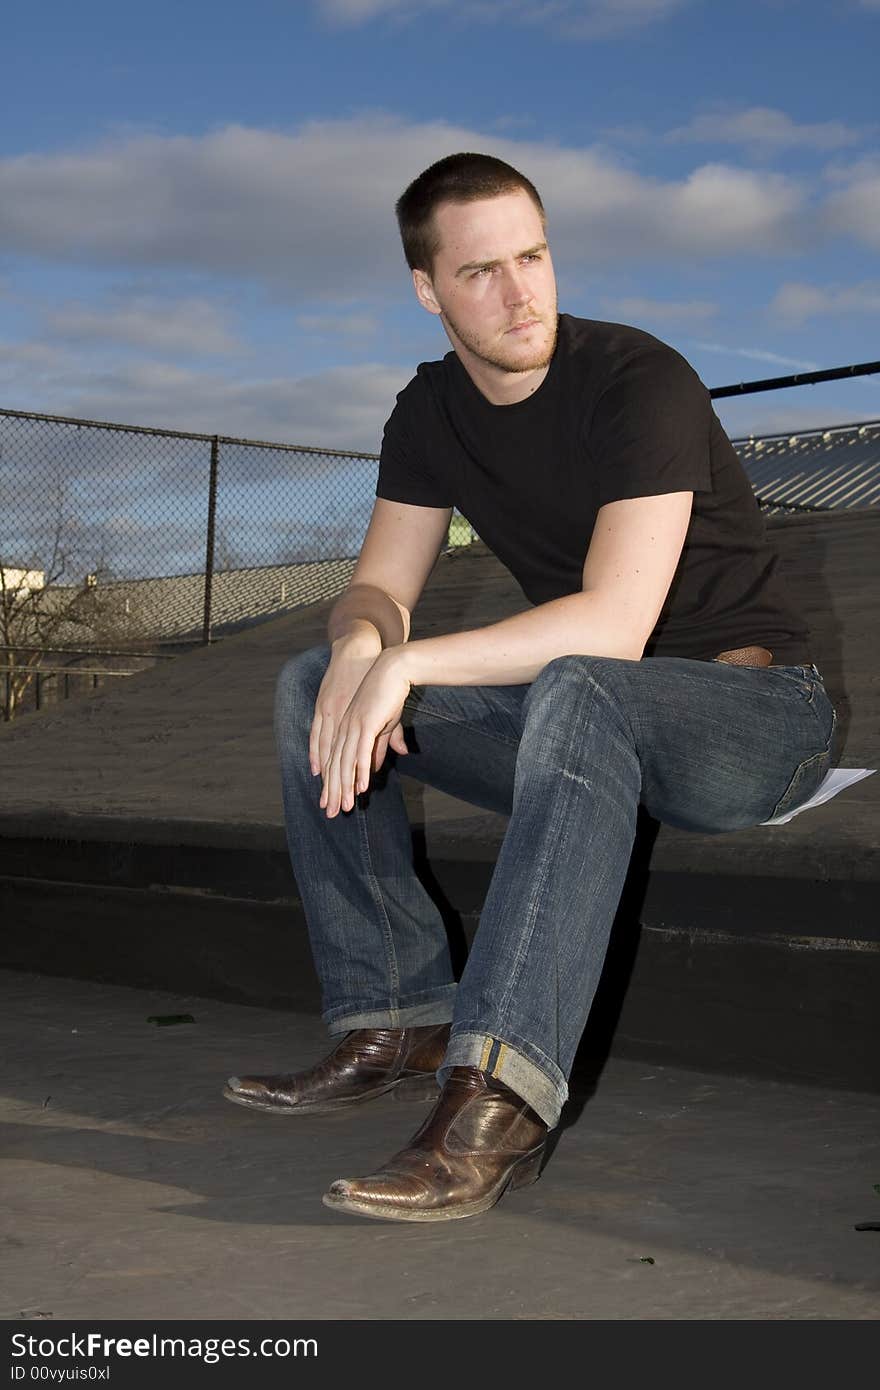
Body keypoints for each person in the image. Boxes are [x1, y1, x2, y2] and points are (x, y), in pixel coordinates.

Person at [224, 152, 836, 1223]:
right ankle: (397, 1017)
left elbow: (612, 625)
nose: (520, 294)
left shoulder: (637, 378)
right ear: (427, 289)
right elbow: (377, 585)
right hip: (589, 729)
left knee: (580, 681)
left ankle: (498, 1098)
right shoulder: (427, 411)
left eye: (535, 257)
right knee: (315, 679)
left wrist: (407, 661)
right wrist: (369, 645)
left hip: (753, 720)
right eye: (481, 272)